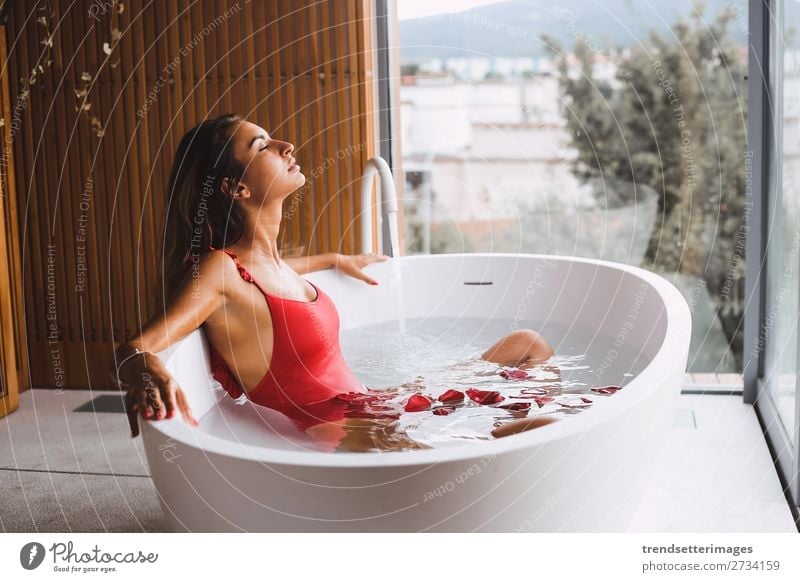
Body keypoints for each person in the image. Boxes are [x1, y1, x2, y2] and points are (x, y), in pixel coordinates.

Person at [110, 113, 559, 452]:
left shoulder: (272, 266)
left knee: (528, 344)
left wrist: (335, 258)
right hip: (351, 429)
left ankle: (509, 434)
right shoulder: (222, 271)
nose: (285, 145)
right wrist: (147, 368)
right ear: (235, 188)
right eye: (262, 145)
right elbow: (135, 345)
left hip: (374, 402)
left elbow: (283, 274)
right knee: (548, 433)